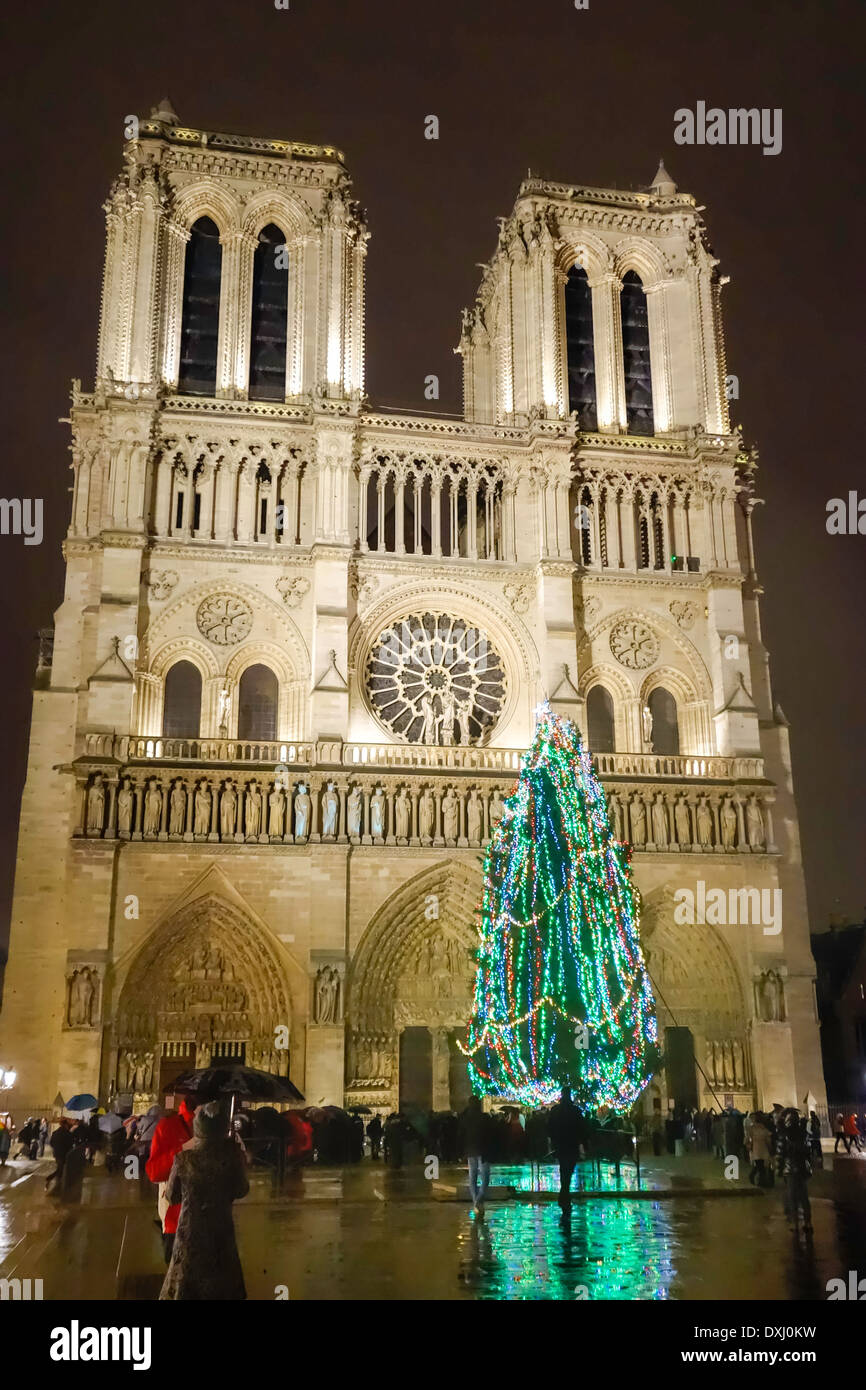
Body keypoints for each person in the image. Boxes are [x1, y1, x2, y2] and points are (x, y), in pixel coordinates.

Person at [160, 1102, 250, 1300]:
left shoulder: (184, 1159)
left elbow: (172, 1196)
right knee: (222, 1277)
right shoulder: (231, 1156)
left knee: (186, 1277)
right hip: (221, 1228)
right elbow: (242, 1190)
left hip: (190, 1229)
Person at [146, 1097, 197, 1264]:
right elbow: (154, 1173)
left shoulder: (219, 1130)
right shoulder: (169, 1126)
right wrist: (183, 1149)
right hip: (176, 1218)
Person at [548, 1085, 586, 1208]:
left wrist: (553, 1141)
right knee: (568, 1169)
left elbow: (550, 1128)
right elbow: (582, 1128)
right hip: (572, 1144)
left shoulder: (555, 1111)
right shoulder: (576, 1110)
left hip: (560, 1144)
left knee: (563, 1167)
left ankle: (564, 1192)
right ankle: (565, 1192)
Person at [777, 1108, 813, 1233]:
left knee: (791, 1196)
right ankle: (808, 1222)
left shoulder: (785, 1134)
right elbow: (809, 1151)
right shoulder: (804, 1133)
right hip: (802, 1167)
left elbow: (780, 1153)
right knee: (804, 1196)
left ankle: (794, 1222)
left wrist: (778, 1169)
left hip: (790, 1168)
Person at [461, 1095, 493, 1214]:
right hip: (483, 1151)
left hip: (470, 1151)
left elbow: (461, 1136)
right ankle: (478, 1201)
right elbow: (490, 1135)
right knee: (485, 1178)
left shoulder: (465, 1118)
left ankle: (476, 1202)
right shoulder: (484, 1118)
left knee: (472, 1178)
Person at [45, 1118, 74, 1193]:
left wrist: (56, 1148)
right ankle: (52, 1181)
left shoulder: (55, 1133)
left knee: (60, 1168)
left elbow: (51, 1143)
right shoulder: (68, 1134)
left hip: (57, 1153)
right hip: (64, 1154)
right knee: (60, 1169)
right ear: (65, 1125)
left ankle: (57, 1183)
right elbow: (70, 1145)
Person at [747, 1113, 773, 1187]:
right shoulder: (764, 1129)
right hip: (762, 1149)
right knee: (761, 1167)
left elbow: (748, 1139)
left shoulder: (752, 1129)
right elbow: (768, 1141)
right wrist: (770, 1149)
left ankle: (759, 1180)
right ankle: (760, 1181)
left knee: (759, 1166)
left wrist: (749, 1147)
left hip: (756, 1149)